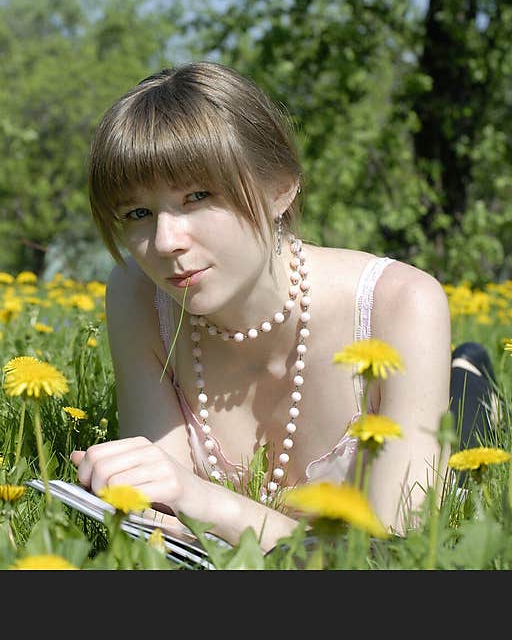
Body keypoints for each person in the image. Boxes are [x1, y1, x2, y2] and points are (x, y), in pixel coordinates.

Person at [70, 61, 492, 553]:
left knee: (467, 427)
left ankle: (469, 371)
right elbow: (160, 527)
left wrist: (208, 502)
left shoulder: (399, 305)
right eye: (138, 213)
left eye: (197, 196)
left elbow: (392, 559)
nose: (165, 242)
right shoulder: (137, 293)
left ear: (280, 190)